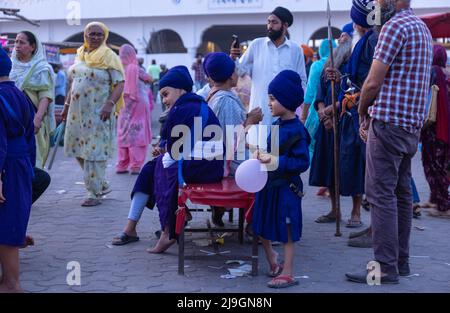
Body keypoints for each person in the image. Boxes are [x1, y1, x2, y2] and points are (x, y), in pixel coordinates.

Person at [346, 0, 433, 284]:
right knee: (401, 194)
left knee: (381, 196)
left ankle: (384, 267)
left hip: (388, 124)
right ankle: (400, 262)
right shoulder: (421, 27)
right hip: (410, 125)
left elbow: (372, 82)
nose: (376, 3)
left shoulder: (393, 26)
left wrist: (361, 110)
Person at [112, 66, 224, 253]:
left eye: (166, 94)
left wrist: (164, 150)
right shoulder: (196, 105)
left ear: (181, 90)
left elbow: (174, 150)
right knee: (149, 169)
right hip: (207, 165)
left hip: (199, 166)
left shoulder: (181, 109)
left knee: (160, 172)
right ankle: (131, 228)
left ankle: (168, 231)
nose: (163, 100)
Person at [252, 70, 310, 289]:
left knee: (287, 230)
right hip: (268, 186)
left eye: (273, 99)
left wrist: (276, 160)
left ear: (286, 100)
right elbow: (269, 151)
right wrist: (260, 154)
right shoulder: (276, 125)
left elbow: (302, 162)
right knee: (260, 223)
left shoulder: (298, 131)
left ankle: (288, 272)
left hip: (287, 188)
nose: (269, 103)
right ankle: (273, 261)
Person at [62, 22, 125, 207]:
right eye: (92, 34)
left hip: (99, 113)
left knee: (94, 152)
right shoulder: (80, 54)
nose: (95, 37)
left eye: (99, 34)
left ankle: (93, 192)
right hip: (76, 114)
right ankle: (102, 184)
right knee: (77, 150)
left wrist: (109, 103)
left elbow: (120, 83)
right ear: (85, 35)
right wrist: (66, 106)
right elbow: (75, 82)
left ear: (104, 36)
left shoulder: (109, 56)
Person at [203, 52, 263, 226]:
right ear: (230, 76)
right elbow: (231, 141)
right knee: (268, 167)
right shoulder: (225, 100)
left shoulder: (213, 94)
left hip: (220, 157)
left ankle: (222, 209)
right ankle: (254, 224)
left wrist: (247, 116)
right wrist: (251, 121)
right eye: (235, 71)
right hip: (226, 162)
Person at [230, 6, 307, 129]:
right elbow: (240, 70)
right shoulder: (257, 45)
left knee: (279, 147)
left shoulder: (295, 50)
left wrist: (299, 110)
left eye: (274, 22)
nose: (270, 26)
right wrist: (233, 58)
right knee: (257, 147)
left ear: (285, 26)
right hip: (260, 113)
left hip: (284, 115)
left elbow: (302, 81)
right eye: (268, 22)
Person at [0, 47, 36, 293]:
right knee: (10, 221)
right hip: (21, 164)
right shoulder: (19, 94)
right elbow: (30, 136)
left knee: (6, 226)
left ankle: (12, 284)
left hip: (6, 168)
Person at [309, 33, 352, 224]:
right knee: (329, 167)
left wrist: (333, 109)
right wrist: (322, 112)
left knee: (351, 168)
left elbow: (351, 94)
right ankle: (335, 210)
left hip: (345, 123)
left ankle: (356, 212)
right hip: (326, 125)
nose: (342, 39)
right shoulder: (326, 68)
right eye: (340, 38)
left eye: (345, 37)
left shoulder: (350, 68)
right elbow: (319, 95)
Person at [10, 31, 55, 169]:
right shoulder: (9, 66)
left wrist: (38, 119)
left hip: (31, 120)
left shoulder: (42, 68)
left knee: (33, 159)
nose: (17, 45)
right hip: (11, 119)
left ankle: (31, 189)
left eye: (22, 42)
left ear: (33, 47)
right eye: (16, 42)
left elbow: (45, 95)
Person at [421, 44, 450, 218]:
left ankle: (444, 205)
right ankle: (434, 198)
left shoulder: (432, 72)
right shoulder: (445, 73)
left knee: (434, 164)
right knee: (439, 164)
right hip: (443, 127)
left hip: (434, 127)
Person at [116, 44, 152, 175]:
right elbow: (149, 78)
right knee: (137, 132)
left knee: (123, 131)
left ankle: (122, 165)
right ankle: (135, 166)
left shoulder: (118, 69)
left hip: (123, 103)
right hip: (138, 104)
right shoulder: (136, 68)